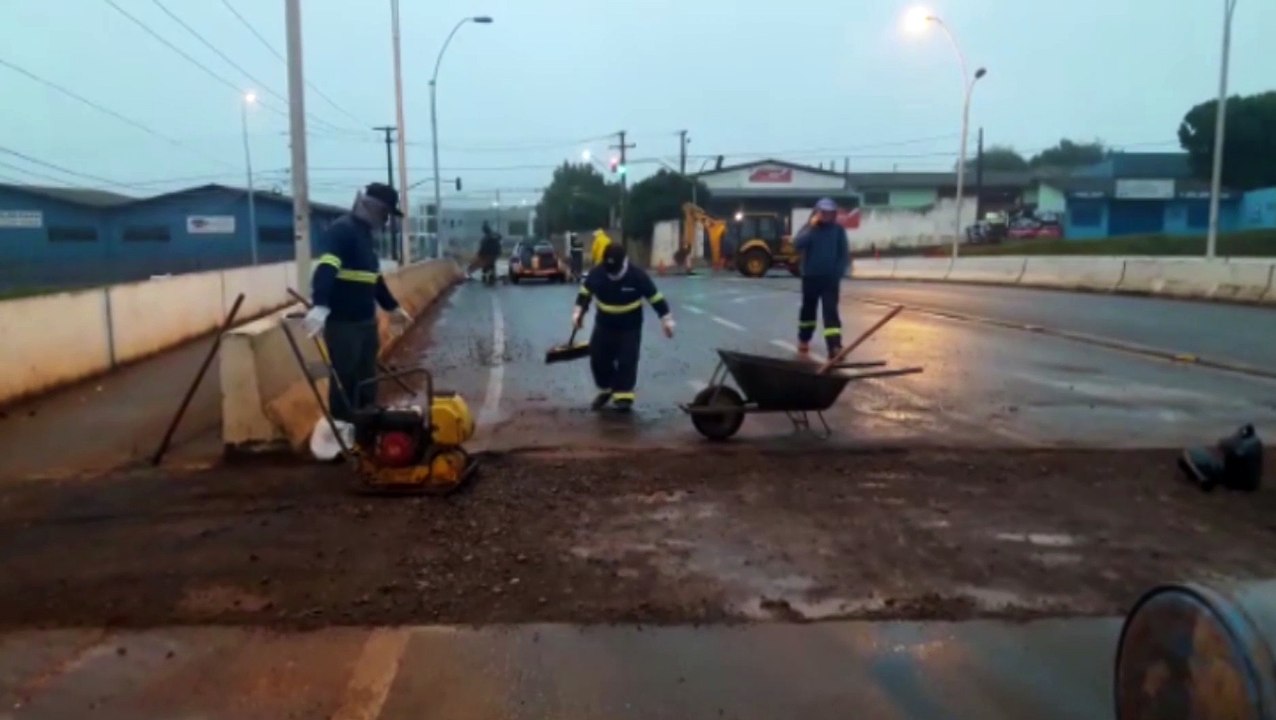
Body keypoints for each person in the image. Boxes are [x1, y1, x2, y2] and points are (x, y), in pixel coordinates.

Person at [302, 182, 412, 425]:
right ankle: (343, 428)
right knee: (345, 378)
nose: (386, 221)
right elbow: (327, 267)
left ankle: (367, 424)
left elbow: (373, 278)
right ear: (374, 208)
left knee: (367, 375)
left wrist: (392, 307)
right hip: (343, 323)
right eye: (386, 214)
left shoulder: (364, 236)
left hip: (364, 321)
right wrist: (320, 304)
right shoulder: (343, 230)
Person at [573, 244, 674, 412]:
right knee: (598, 357)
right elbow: (585, 293)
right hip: (604, 322)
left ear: (623, 263)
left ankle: (623, 397)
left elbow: (655, 297)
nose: (611, 273)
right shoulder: (597, 273)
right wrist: (578, 314)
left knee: (627, 359)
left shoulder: (637, 276)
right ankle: (606, 389)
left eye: (614, 270)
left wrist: (666, 320)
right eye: (608, 269)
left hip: (630, 324)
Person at [793, 197, 850, 356]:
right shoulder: (809, 229)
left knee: (830, 312)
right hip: (810, 277)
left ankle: (834, 346)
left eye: (829, 213)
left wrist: (838, 272)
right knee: (808, 312)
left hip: (830, 280)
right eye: (823, 212)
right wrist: (811, 227)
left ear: (834, 214)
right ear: (816, 213)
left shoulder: (838, 230)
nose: (826, 215)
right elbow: (797, 244)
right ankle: (804, 339)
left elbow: (843, 254)